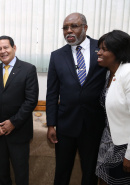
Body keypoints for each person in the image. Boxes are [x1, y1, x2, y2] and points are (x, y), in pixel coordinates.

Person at [46, 12, 107, 185]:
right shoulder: (57, 56)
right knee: (62, 171)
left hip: (94, 124)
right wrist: (51, 124)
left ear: (85, 28)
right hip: (66, 125)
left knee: (90, 172)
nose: (68, 31)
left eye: (73, 26)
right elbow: (52, 93)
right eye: (65, 28)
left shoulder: (102, 48)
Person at [0, 35, 39, 185]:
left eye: (6, 47)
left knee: (21, 173)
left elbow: (31, 101)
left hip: (19, 131)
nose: (2, 51)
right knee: (1, 172)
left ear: (14, 48)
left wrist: (13, 122)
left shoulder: (28, 69)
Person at [95, 30, 130, 185]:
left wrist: (129, 155)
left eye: (104, 49)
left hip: (124, 146)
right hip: (108, 142)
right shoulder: (109, 73)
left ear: (118, 52)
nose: (99, 52)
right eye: (99, 48)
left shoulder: (128, 73)